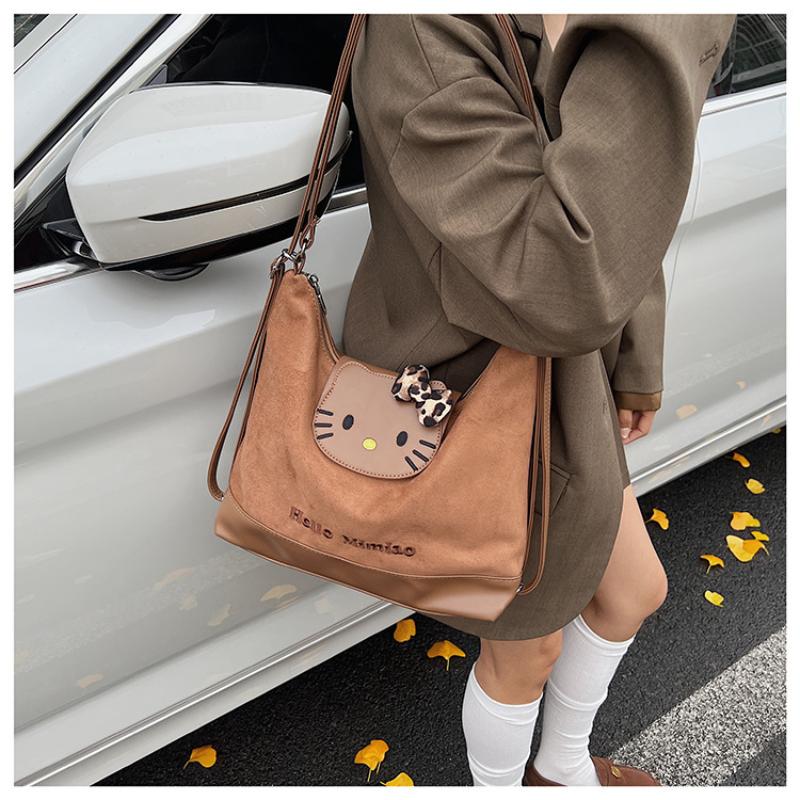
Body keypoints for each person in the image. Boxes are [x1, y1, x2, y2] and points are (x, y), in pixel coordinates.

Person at [342, 13, 736, 786]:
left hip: (562, 381)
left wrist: (634, 360)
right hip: (470, 392)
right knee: (526, 652)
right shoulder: (421, 27)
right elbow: (564, 271)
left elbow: (610, 225)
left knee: (634, 592)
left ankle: (558, 769)